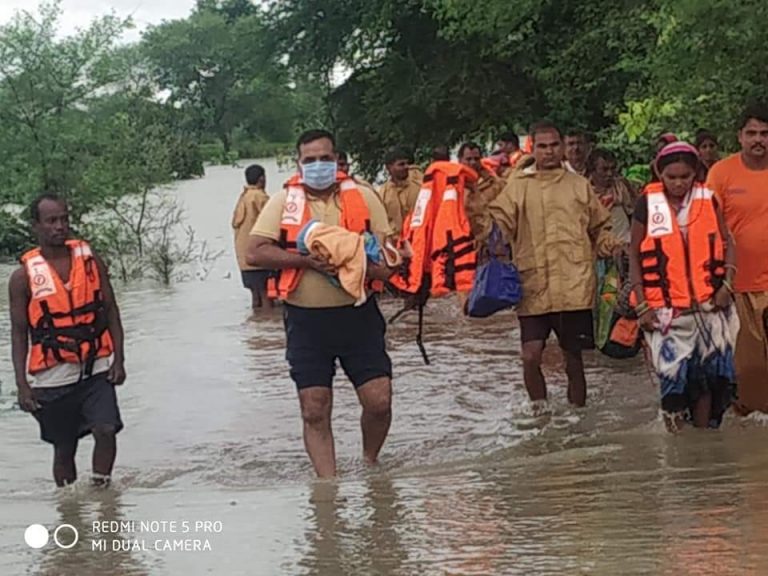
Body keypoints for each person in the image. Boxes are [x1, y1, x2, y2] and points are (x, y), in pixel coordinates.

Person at [246, 129, 396, 477]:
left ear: (338, 160)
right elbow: (255, 251)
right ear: (298, 164)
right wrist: (307, 261)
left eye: (325, 159)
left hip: (359, 316)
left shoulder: (363, 197)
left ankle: (370, 464)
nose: (318, 166)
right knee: (314, 408)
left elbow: (389, 262)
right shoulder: (283, 201)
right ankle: (328, 488)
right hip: (306, 322)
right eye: (309, 160)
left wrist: (358, 263)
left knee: (379, 402)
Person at [466, 121, 622, 409]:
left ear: (561, 148)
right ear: (533, 149)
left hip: (574, 285)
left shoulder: (578, 186)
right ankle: (540, 411)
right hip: (533, 284)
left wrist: (613, 246)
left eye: (554, 145)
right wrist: (475, 201)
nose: (549, 152)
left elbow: (599, 228)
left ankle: (577, 416)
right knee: (530, 355)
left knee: (573, 359)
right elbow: (496, 227)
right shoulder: (518, 187)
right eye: (542, 146)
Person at [9, 194, 126, 487]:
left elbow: (110, 309)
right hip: (53, 376)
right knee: (64, 447)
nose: (60, 226)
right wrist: (22, 385)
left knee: (106, 429)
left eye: (64, 219)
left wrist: (119, 359)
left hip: (95, 366)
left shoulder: (89, 260)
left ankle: (103, 493)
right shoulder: (22, 278)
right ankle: (70, 509)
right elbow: (19, 332)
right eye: (51, 221)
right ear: (36, 226)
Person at [630, 143, 738, 431]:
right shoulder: (646, 204)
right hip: (665, 312)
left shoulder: (708, 200)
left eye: (685, 177)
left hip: (709, 307)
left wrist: (726, 284)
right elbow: (634, 255)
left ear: (695, 174)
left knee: (709, 381)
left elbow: (729, 245)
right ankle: (675, 448)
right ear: (659, 174)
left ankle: (703, 447)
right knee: (673, 384)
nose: (678, 183)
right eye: (671, 177)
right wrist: (642, 305)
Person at [706, 103, 768, 415]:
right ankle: (752, 437)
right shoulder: (721, 173)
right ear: (739, 137)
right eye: (752, 133)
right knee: (749, 368)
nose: (759, 140)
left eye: (765, 134)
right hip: (737, 285)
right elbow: (707, 226)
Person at [232, 164, 273, 309]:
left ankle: (257, 328)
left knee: (256, 297)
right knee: (266, 296)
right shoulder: (260, 197)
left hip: (243, 259)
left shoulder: (242, 198)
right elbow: (273, 222)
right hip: (259, 257)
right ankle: (268, 328)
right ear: (262, 179)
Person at [586, 149, 635, 244]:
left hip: (624, 243)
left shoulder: (621, 187)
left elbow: (634, 214)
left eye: (612, 169)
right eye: (604, 169)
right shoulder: (584, 192)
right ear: (593, 170)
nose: (610, 174)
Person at [377, 146, 423, 237]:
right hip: (396, 245)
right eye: (401, 164)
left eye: (407, 163)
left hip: (418, 240)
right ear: (389, 167)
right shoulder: (383, 194)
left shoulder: (420, 188)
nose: (406, 167)